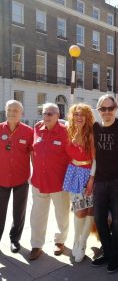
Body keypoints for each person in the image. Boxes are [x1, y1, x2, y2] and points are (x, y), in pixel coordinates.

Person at [92, 94, 118, 273]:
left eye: (110, 108)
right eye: (103, 109)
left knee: (117, 221)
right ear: (99, 110)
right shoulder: (95, 127)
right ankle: (108, 252)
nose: (107, 112)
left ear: (116, 109)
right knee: (99, 218)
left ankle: (115, 256)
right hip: (100, 180)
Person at [29, 103, 70, 260]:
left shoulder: (66, 131)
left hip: (58, 182)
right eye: (45, 113)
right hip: (39, 181)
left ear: (58, 115)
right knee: (37, 215)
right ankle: (36, 245)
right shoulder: (37, 128)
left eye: (50, 113)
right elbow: (33, 151)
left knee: (62, 214)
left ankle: (60, 241)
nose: (46, 116)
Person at [63, 103, 95, 262]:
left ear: (87, 117)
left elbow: (95, 160)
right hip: (73, 173)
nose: (79, 117)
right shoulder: (69, 130)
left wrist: (91, 179)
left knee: (89, 211)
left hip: (88, 174)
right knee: (78, 210)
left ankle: (83, 243)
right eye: (76, 114)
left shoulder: (91, 134)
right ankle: (76, 240)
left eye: (82, 114)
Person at [0, 100, 33, 253]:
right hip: (1, 179)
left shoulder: (28, 131)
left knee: (19, 212)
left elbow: (34, 154)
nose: (12, 113)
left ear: (22, 113)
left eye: (16, 110)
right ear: (6, 111)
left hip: (21, 178)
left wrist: (35, 175)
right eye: (10, 110)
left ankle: (15, 239)